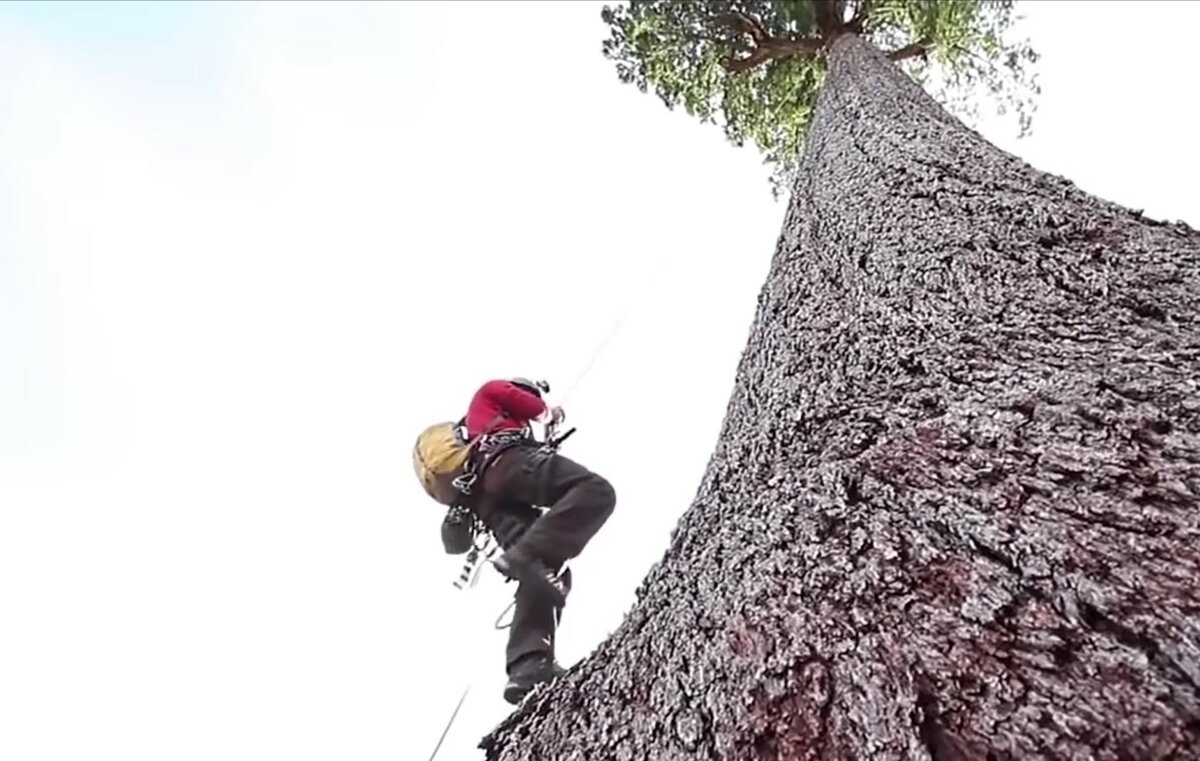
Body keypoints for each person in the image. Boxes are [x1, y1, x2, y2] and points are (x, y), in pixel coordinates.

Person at [440, 377, 616, 704]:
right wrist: (550, 413)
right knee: (595, 491)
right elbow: (530, 406)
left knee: (545, 570)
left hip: (489, 502)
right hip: (505, 465)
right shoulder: (493, 392)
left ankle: (528, 666)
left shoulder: (480, 431)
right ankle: (525, 555)